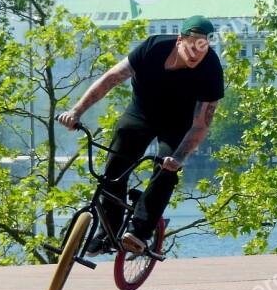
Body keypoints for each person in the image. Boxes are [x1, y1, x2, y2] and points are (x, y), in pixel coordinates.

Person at [56, 15, 224, 255]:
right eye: (191, 48)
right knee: (114, 167)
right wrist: (76, 111)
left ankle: (139, 233)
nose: (196, 56)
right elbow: (111, 79)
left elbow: (200, 125)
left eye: (203, 50)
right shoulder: (153, 48)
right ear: (179, 40)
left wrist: (179, 157)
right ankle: (107, 233)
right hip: (140, 113)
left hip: (177, 123)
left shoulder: (211, 71)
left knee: (167, 169)